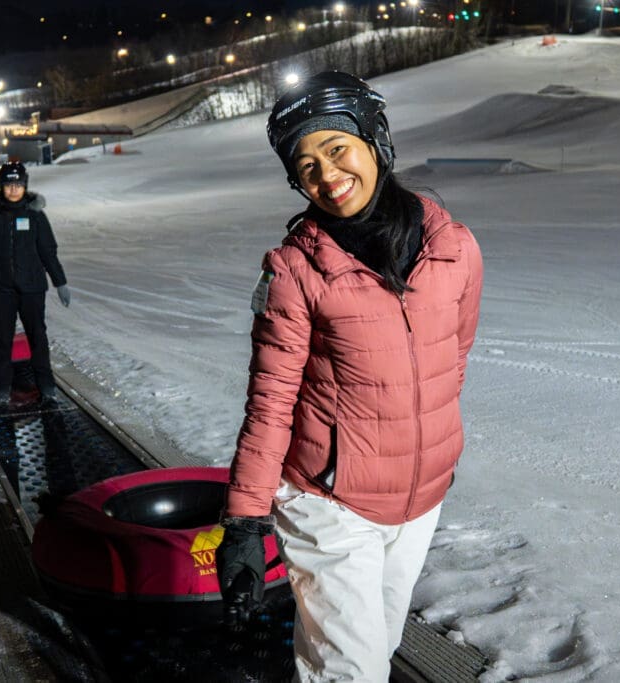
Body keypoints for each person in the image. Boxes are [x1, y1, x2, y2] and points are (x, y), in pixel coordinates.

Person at [215, 71, 483, 681]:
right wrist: (245, 520)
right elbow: (271, 402)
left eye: (337, 148)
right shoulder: (294, 270)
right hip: (329, 503)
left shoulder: (455, 248)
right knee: (351, 671)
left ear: (375, 142)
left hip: (419, 500)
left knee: (378, 649)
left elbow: (454, 357)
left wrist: (430, 446)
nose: (326, 175)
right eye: (304, 165)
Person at [0, 162, 70, 409]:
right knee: (3, 338)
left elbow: (48, 250)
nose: (13, 190)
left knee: (38, 337)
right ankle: (2, 388)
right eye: (9, 185)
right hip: (1, 288)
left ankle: (47, 387)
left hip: (32, 287)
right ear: (2, 187)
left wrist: (60, 281)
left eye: (18, 185)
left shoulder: (35, 215)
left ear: (25, 186)